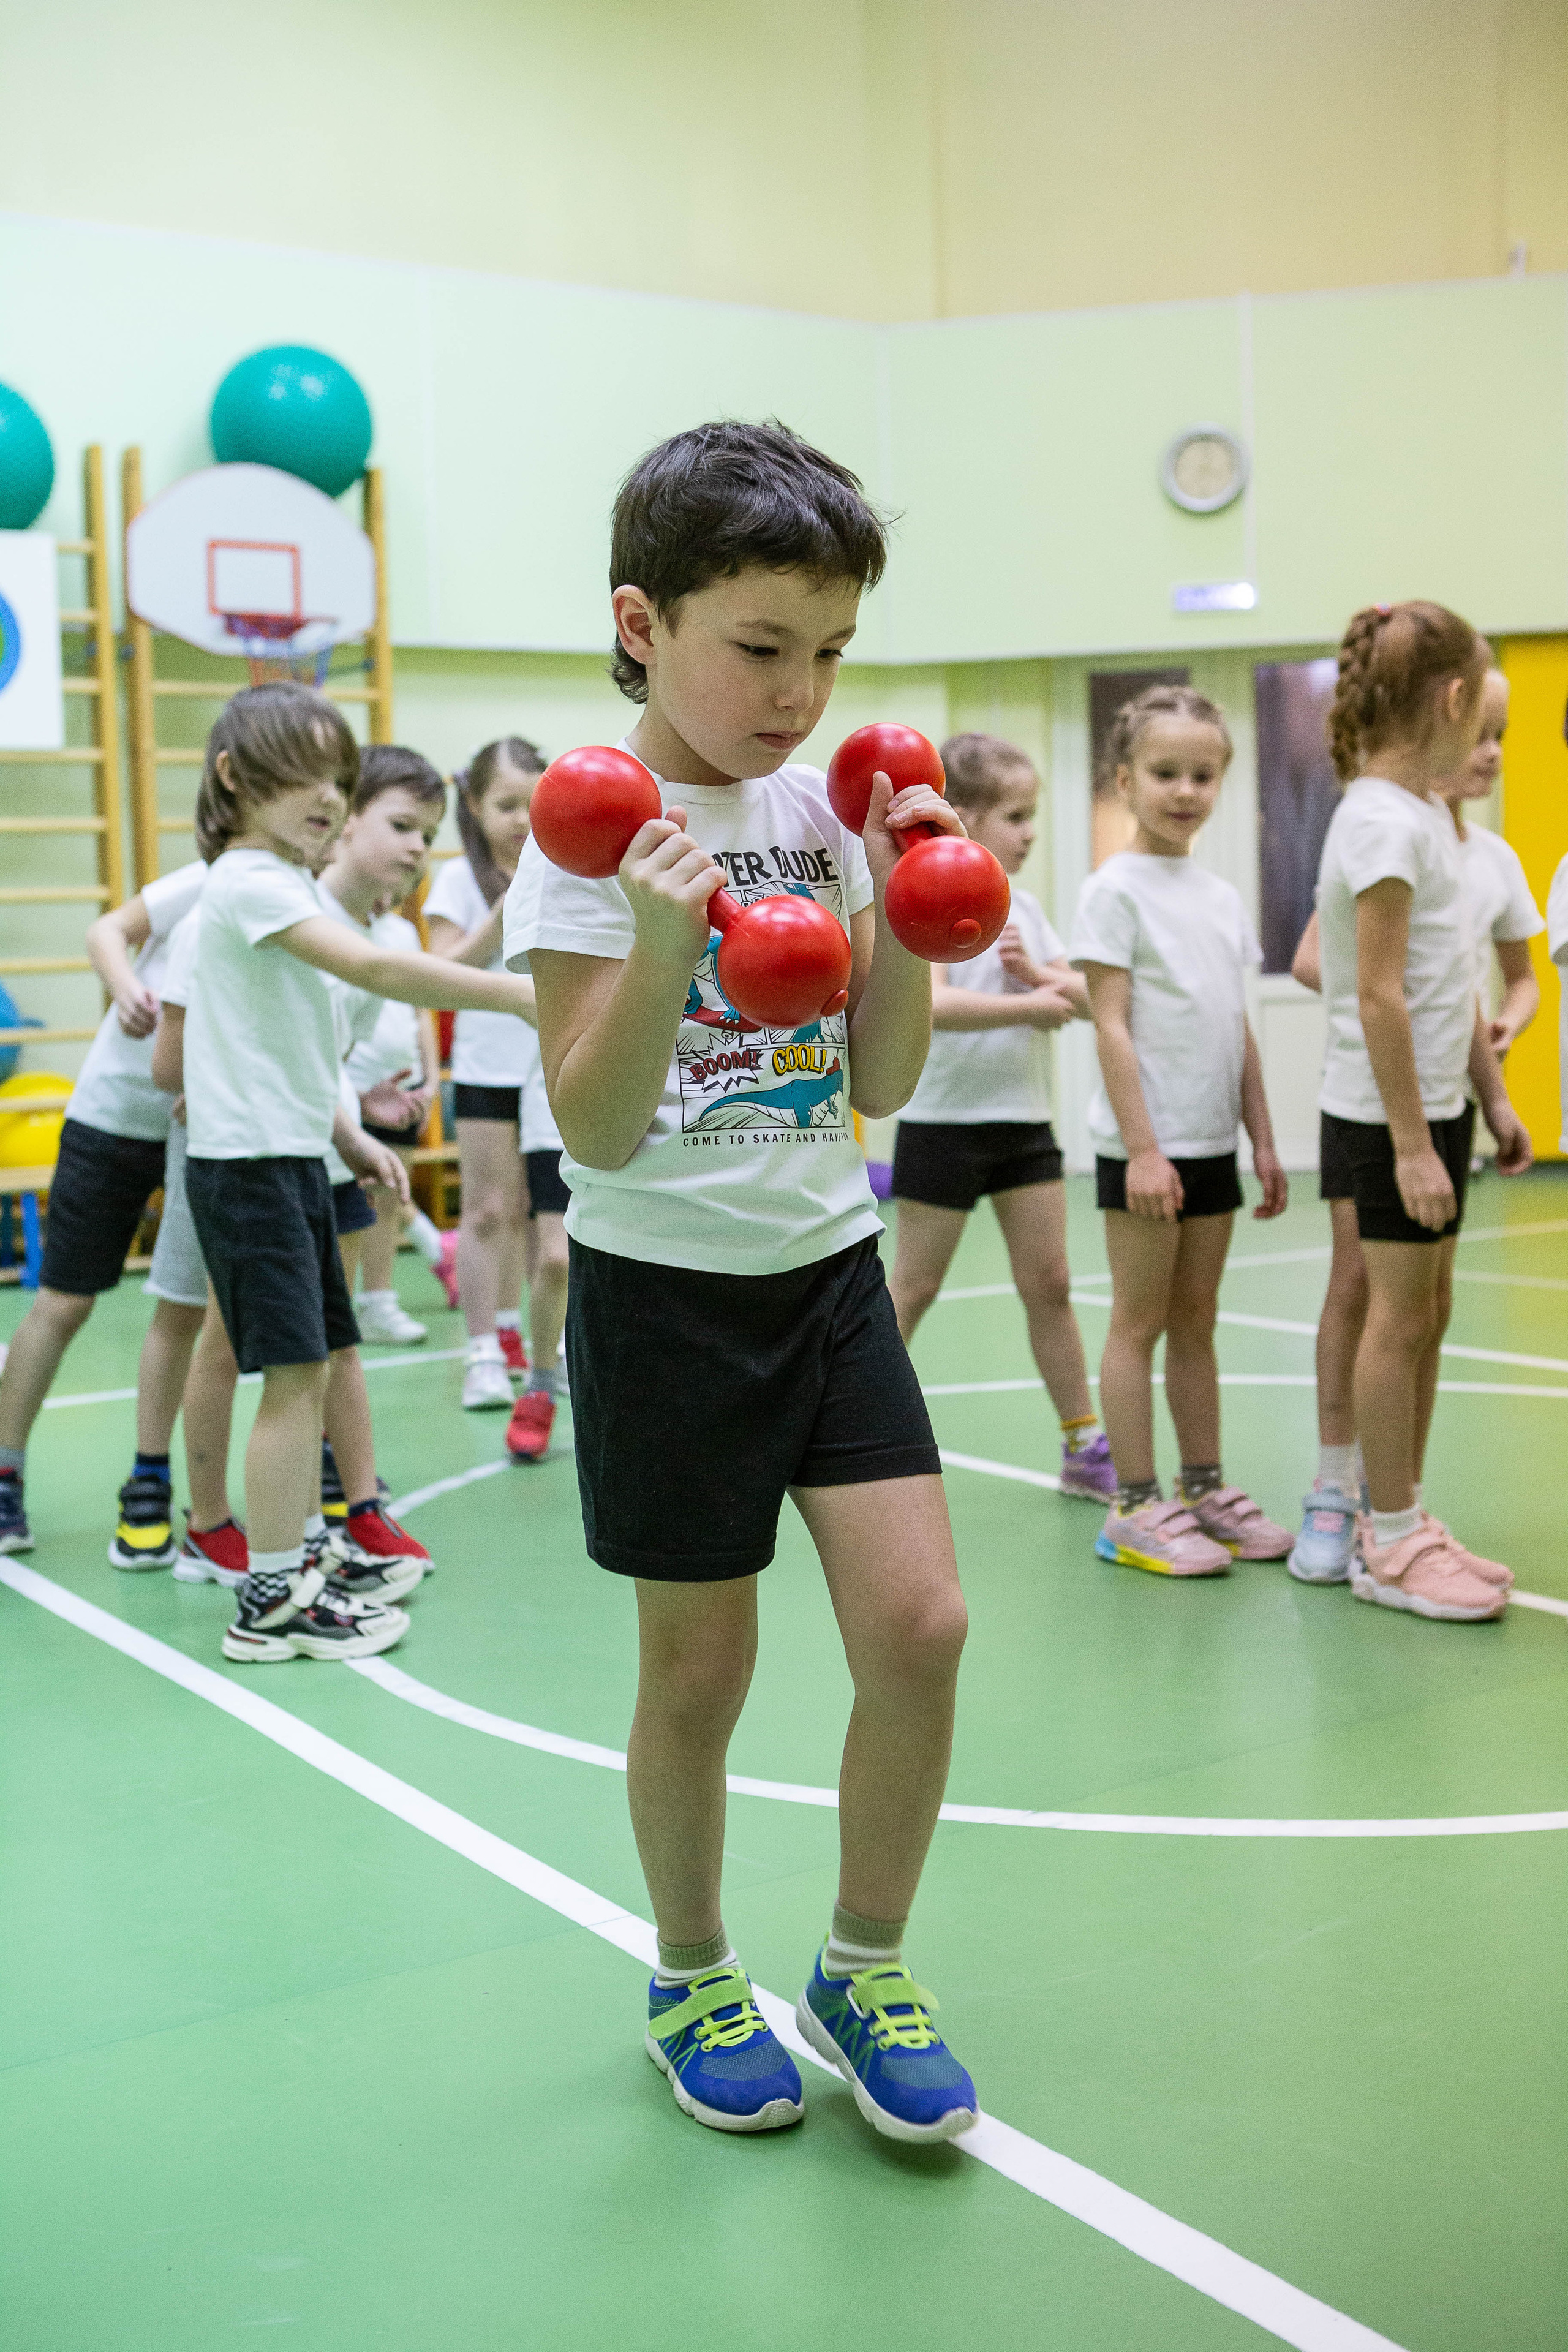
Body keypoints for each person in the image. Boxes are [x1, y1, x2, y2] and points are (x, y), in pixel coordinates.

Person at [505, 420, 978, 2144]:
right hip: (666, 1295)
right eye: (763, 647)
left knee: (922, 1627)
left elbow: (882, 1080)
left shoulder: (820, 815)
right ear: (642, 623)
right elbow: (596, 1127)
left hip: (826, 1270)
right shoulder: (588, 830)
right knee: (700, 1675)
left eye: (830, 653)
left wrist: (904, 900)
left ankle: (863, 1964)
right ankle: (693, 1972)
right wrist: (660, 945)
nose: (799, 694)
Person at [179, 682, 533, 1664]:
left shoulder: (285, 882)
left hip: (294, 1158)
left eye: (340, 779)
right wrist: (514, 997)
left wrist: (347, 1135)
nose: (330, 797)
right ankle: (270, 1600)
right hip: (251, 1171)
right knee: (293, 1382)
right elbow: (373, 972)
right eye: (307, 775)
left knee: (317, 1367)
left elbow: (290, 1043)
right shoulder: (250, 880)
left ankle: (296, 1557)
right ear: (235, 777)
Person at [1286, 663, 1541, 1583]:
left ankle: (1396, 1509)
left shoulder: (1472, 851)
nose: (1489, 751)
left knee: (1424, 1306)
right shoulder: (1383, 825)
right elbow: (1353, 974)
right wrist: (1385, 1003)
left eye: (1503, 735)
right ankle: (1345, 1494)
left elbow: (1468, 983)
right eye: (1482, 727)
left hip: (1441, 1099)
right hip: (1372, 1099)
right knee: (1364, 1288)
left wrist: (1493, 1090)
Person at [1071, 684, 1291, 1578]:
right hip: (1145, 1152)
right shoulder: (1112, 892)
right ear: (1125, 779)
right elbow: (1110, 1025)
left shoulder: (1220, 896)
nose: (1185, 790)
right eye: (1165, 772)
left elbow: (1234, 1024)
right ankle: (1133, 1504)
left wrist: (1262, 1138)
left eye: (1203, 775)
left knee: (1197, 1321)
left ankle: (1204, 1489)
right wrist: (1144, 1149)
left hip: (1211, 1145)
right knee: (1140, 1322)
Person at [886, 731, 1111, 1498]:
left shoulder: (1025, 908)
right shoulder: (920, 900)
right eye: (1016, 816)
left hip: (1022, 1125)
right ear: (966, 816)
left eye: (1031, 815)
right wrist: (1030, 1007)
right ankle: (839, 1428)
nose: (1030, 832)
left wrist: (1037, 974)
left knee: (1050, 1281)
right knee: (914, 1286)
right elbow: (933, 1006)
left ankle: (1083, 1444)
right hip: (941, 1124)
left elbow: (1090, 1001)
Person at [0, 855, 207, 1562]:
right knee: (64, 1302)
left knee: (184, 1308)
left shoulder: (303, 901)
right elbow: (107, 930)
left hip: (203, 1127)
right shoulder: (209, 878)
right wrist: (125, 989)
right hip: (115, 1112)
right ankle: (5, 1472)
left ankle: (149, 1478)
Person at [425, 739, 547, 1407]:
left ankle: (532, 1340)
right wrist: (500, 920)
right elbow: (440, 974)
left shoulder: (563, 865)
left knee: (538, 1213)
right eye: (505, 805)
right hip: (485, 1064)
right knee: (488, 1209)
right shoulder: (457, 880)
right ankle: (483, 1352)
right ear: (472, 805)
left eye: (532, 803)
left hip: (549, 1063)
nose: (521, 820)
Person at [321, 745, 450, 1346]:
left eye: (428, 835)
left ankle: (377, 1299)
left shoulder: (384, 933)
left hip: (354, 1114)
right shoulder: (305, 917)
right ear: (347, 818)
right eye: (402, 826)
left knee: (333, 1342)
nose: (418, 847)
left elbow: (328, 1053)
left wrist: (360, 1101)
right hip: (281, 1155)